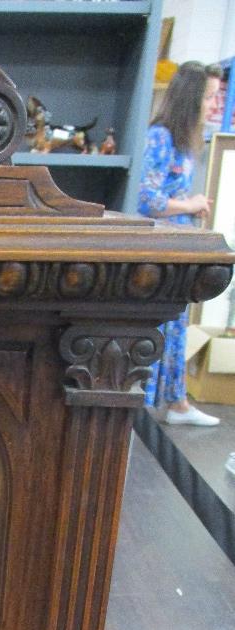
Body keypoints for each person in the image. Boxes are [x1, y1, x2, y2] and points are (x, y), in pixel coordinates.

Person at [138, 61, 222, 425]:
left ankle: (176, 403)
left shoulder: (185, 140)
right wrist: (190, 204)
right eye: (208, 97)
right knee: (161, 324)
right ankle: (159, 404)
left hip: (179, 247)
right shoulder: (160, 137)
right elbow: (146, 198)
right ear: (192, 98)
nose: (213, 106)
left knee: (175, 325)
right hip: (161, 248)